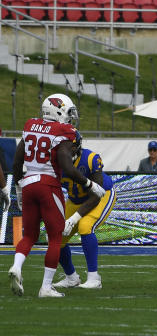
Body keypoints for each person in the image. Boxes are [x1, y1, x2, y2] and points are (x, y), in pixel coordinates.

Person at [9, 94, 106, 297]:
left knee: (29, 235)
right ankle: (46, 287)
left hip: (28, 184)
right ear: (58, 110)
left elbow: (17, 163)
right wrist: (90, 184)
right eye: (69, 113)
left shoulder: (30, 125)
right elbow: (67, 167)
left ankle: (17, 267)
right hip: (48, 185)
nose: (70, 118)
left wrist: (18, 187)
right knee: (55, 237)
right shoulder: (63, 131)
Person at [54, 140, 115, 290]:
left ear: (76, 147)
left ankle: (94, 278)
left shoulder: (90, 159)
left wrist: (74, 218)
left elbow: (97, 193)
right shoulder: (54, 163)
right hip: (75, 200)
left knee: (85, 226)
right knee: (57, 235)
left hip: (101, 195)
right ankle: (71, 277)